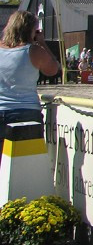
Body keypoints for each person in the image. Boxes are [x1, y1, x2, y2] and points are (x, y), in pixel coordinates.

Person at [0, 11, 61, 161]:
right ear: (30, 30)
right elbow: (54, 69)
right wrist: (42, 42)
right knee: (26, 164)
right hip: (25, 111)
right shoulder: (33, 51)